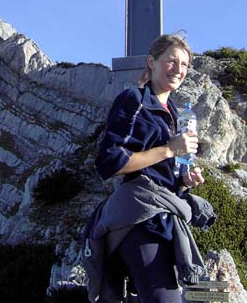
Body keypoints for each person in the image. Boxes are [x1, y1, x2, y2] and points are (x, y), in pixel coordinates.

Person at [84, 34, 207, 303]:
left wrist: (184, 178)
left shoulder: (174, 113)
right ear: (152, 61)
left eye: (184, 64)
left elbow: (162, 170)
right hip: (137, 217)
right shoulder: (134, 99)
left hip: (163, 216)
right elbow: (110, 160)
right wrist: (169, 150)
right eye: (171, 61)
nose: (179, 69)